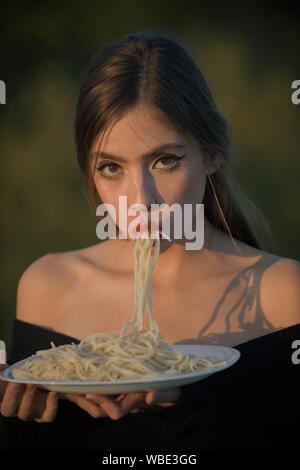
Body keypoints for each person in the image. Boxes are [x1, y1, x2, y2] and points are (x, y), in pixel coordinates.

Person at [0, 29, 299, 450]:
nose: (140, 201)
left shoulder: (283, 293)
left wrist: (186, 402)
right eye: (110, 168)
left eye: (164, 161)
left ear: (211, 154)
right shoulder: (48, 286)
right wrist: (22, 420)